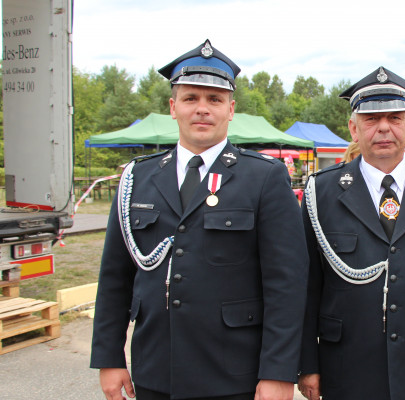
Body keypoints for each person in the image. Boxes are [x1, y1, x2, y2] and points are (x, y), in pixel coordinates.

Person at [90, 40, 309, 400]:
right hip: (156, 369)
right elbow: (115, 275)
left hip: (234, 375)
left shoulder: (264, 178)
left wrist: (278, 372)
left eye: (214, 100)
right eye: (191, 98)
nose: (202, 109)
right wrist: (109, 357)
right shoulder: (137, 179)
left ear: (231, 109)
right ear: (173, 107)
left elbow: (286, 284)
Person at [298, 66, 405, 400]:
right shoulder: (322, 192)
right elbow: (307, 285)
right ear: (353, 129)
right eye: (371, 119)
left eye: (395, 117)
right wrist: (307, 362)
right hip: (344, 364)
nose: (384, 128)